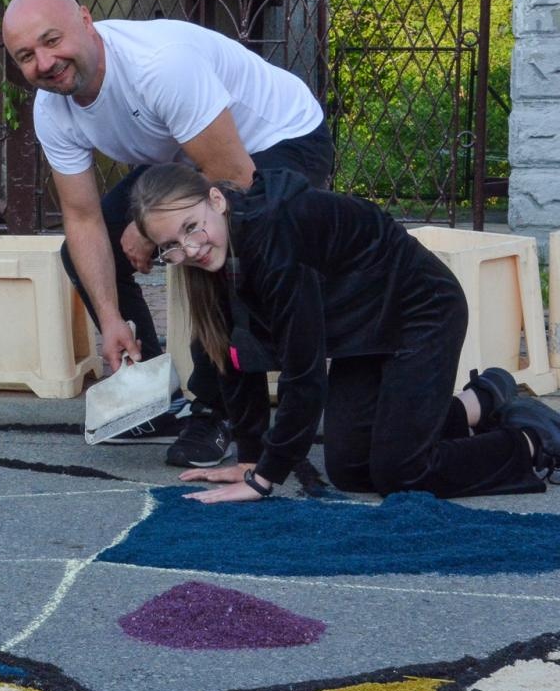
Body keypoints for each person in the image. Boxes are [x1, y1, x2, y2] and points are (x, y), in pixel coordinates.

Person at [0, 0, 333, 467]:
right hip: (187, 155)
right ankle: (155, 397)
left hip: (282, 140)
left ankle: (216, 409)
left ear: (87, 21)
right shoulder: (52, 108)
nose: (44, 63)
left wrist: (152, 222)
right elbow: (82, 216)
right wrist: (111, 319)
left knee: (211, 244)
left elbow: (234, 179)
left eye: (52, 41)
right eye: (26, 55)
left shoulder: (159, 66)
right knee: (81, 252)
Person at [129, 163, 557, 503]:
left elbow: (304, 373)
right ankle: (479, 402)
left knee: (402, 472)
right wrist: (251, 456)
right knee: (351, 469)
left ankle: (531, 441)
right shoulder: (217, 258)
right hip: (363, 328)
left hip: (421, 310)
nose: (190, 248)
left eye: (191, 226)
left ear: (217, 200)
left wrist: (264, 479)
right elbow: (237, 356)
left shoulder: (276, 235)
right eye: (172, 246)